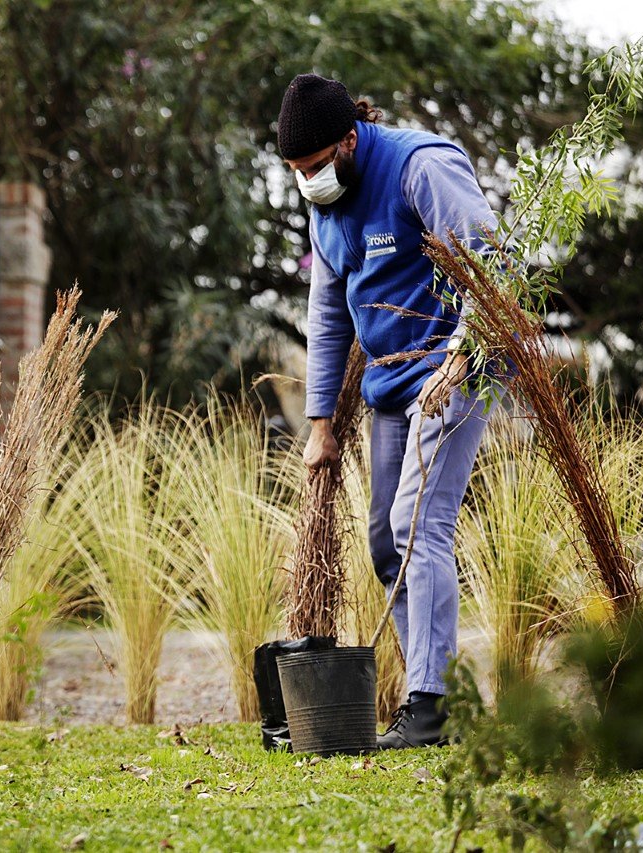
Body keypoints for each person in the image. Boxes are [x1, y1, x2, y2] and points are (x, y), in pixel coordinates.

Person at [277, 73, 497, 749]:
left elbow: (495, 261)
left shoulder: (420, 166)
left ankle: (430, 703)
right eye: (294, 172)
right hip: (393, 387)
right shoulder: (330, 202)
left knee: (415, 523)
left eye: (313, 167)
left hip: (455, 367)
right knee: (384, 541)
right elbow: (328, 313)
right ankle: (443, 693)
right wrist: (319, 426)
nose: (306, 182)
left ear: (349, 140)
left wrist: (461, 355)